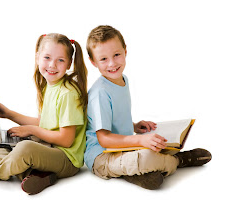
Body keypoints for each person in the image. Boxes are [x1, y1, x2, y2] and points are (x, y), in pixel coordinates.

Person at [84, 25, 212, 190]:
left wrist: (135, 126)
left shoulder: (123, 80)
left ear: (125, 51)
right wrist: (139, 139)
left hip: (123, 148)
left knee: (156, 144)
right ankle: (178, 160)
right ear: (93, 61)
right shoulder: (100, 92)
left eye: (116, 55)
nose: (112, 63)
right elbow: (104, 138)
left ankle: (143, 175)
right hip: (101, 156)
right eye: (103, 59)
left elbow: (111, 118)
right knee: (145, 157)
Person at [0, 33, 88, 194]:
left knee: (25, 149)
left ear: (69, 64)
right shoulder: (49, 85)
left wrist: (30, 131)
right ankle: (38, 175)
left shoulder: (67, 93)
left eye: (60, 60)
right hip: (47, 147)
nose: (52, 65)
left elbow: (66, 140)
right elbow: (44, 122)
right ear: (37, 57)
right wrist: (8, 114)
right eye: (47, 57)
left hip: (66, 159)